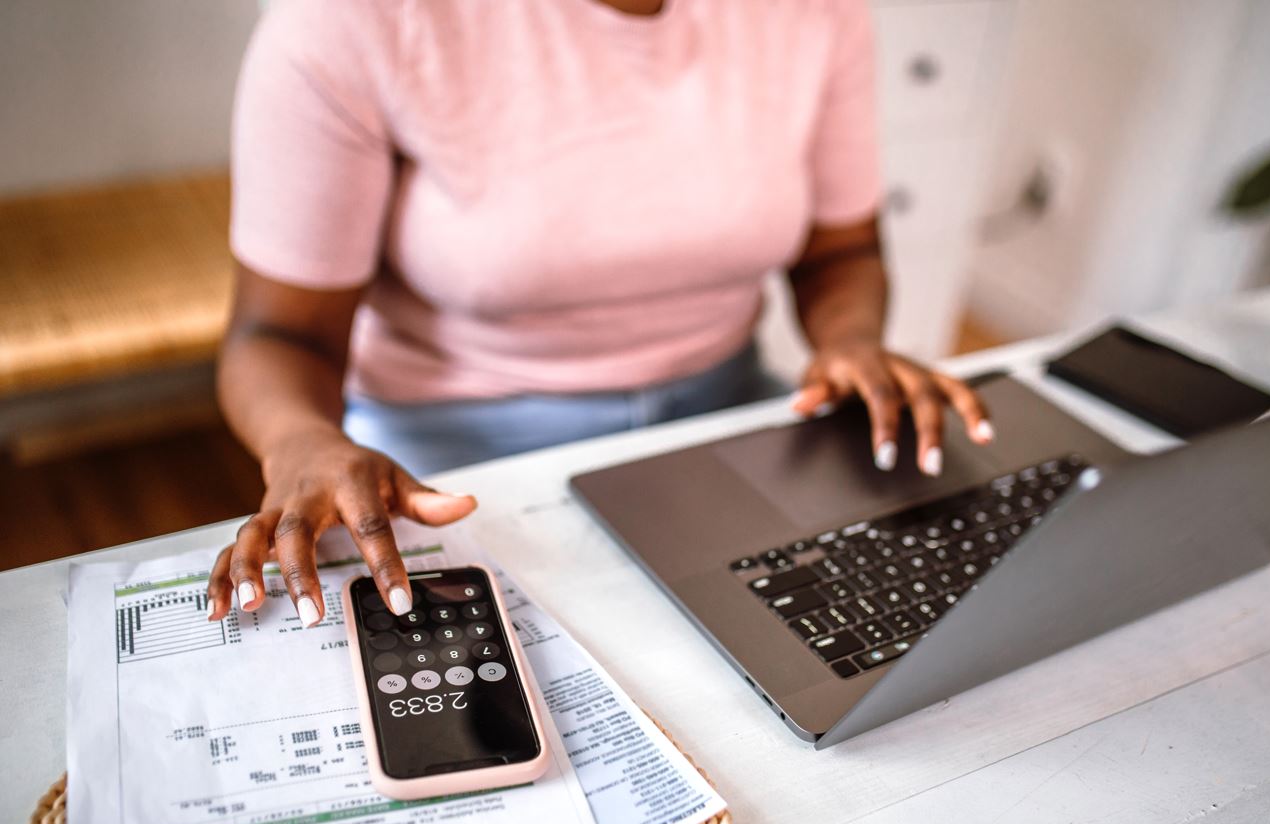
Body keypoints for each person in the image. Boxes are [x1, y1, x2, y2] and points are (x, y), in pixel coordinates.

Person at [206, 0, 994, 627]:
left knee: (905, 608)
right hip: (446, 457)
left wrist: (850, 339)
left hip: (719, 416)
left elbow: (840, 251)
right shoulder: (349, 24)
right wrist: (301, 439)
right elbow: (280, 332)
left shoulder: (816, 13)